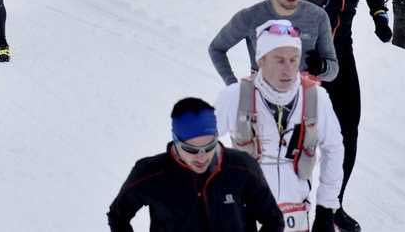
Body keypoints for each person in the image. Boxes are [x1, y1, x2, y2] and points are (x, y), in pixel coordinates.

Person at [300, 0, 391, 232]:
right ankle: (280, 202)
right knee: (295, 133)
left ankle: (332, 205)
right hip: (306, 59)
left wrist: (380, 18)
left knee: (348, 131)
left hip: (341, 56)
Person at [216, 20, 345, 232]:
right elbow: (198, 145)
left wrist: (326, 207)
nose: (288, 69)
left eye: (294, 60)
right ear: (261, 60)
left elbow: (334, 148)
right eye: (279, 60)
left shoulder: (315, 98)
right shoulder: (235, 96)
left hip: (296, 213)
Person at [107, 97, 285, 231]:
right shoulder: (151, 172)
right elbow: (118, 215)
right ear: (176, 142)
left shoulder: (242, 167)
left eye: (209, 147)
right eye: (191, 150)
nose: (201, 157)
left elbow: (273, 219)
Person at [209, 0, 338, 86]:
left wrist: (322, 67)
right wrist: (232, 85)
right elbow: (216, 48)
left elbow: (333, 70)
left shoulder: (318, 16)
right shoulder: (251, 16)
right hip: (260, 99)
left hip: (304, 100)